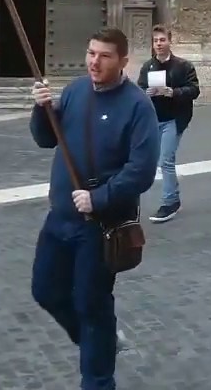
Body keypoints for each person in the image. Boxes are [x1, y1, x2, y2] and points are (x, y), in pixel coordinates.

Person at [29, 28, 160, 390]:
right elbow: (45, 139)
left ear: (122, 61)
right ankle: (98, 341)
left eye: (103, 56)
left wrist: (100, 197)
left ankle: (98, 379)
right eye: (90, 53)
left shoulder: (137, 106)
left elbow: (142, 170)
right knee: (45, 290)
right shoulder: (74, 91)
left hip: (100, 226)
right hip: (60, 218)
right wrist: (42, 109)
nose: (94, 62)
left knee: (91, 304)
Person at [136, 25, 200, 224]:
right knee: (154, 160)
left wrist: (172, 92)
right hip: (154, 119)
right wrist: (145, 93)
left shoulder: (183, 66)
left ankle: (170, 201)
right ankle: (173, 196)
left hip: (174, 118)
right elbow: (140, 88)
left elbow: (194, 89)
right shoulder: (148, 66)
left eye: (162, 40)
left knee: (166, 160)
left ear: (170, 41)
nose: (159, 44)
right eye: (155, 41)